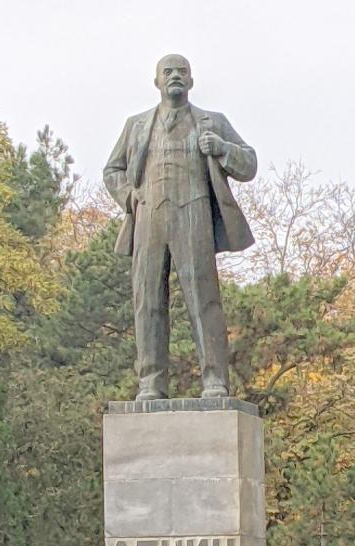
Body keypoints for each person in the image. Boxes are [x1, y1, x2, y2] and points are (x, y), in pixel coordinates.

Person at [103, 54, 257, 401]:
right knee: (147, 301)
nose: (175, 76)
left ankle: (215, 380)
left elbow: (249, 164)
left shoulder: (212, 122)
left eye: (182, 71)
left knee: (203, 297)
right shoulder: (136, 125)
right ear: (157, 81)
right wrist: (129, 197)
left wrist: (222, 149)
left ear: (191, 81)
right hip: (149, 216)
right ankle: (151, 382)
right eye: (168, 71)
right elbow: (112, 170)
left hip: (194, 212)